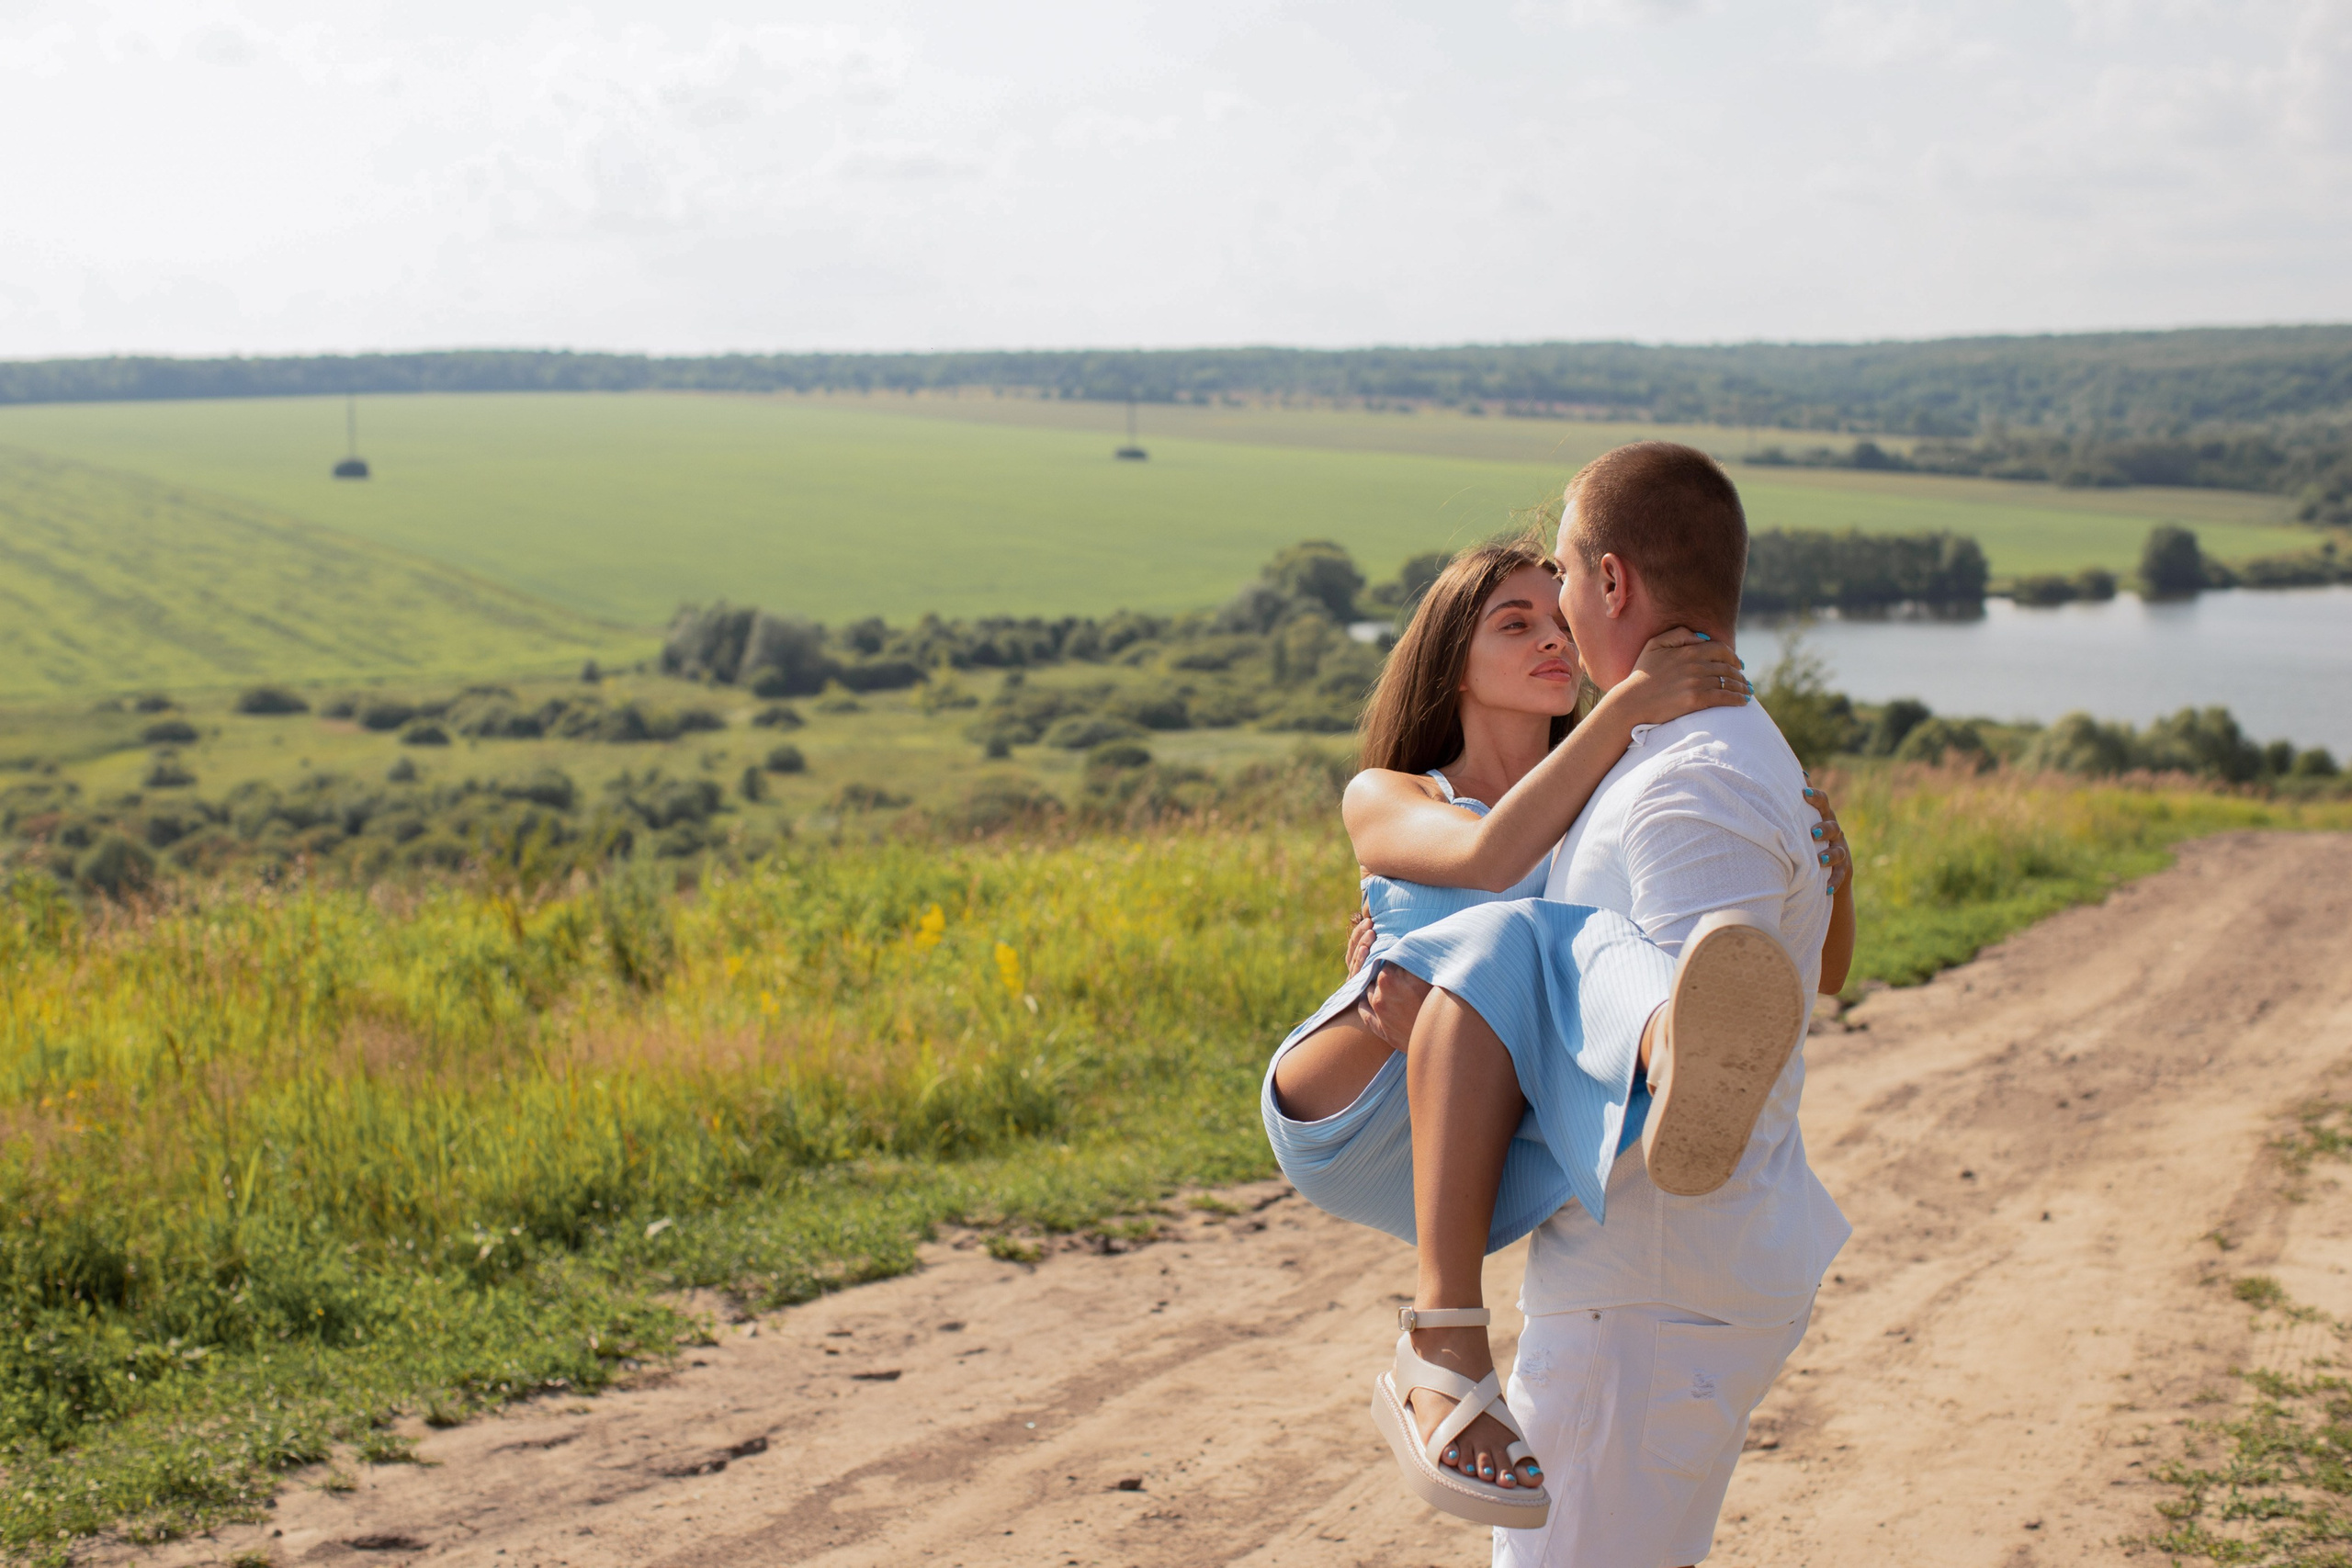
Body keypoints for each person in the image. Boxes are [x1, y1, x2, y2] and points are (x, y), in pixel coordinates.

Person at [1261, 536, 1854, 1529]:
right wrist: (1630, 702)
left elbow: (1820, 978)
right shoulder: (1390, 791)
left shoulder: (1602, 799)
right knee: (1523, 929)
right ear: (1451, 658)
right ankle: (1440, 1346)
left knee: (1577, 936)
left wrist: (1827, 873)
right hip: (1358, 1089)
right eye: (1514, 623)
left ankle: (1670, 1056)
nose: (1551, 640)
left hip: (1494, 1132)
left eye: (1555, 617)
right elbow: (1493, 859)